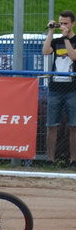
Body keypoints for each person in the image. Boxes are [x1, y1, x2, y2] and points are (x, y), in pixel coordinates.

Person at [42, 10, 76, 166]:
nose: (62, 25)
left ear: (72, 24)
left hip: (72, 88)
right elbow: (46, 51)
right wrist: (51, 31)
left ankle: (73, 159)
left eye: (65, 23)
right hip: (55, 87)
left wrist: (66, 37)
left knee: (73, 126)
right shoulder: (56, 41)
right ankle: (50, 159)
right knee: (51, 125)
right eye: (60, 23)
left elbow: (73, 56)